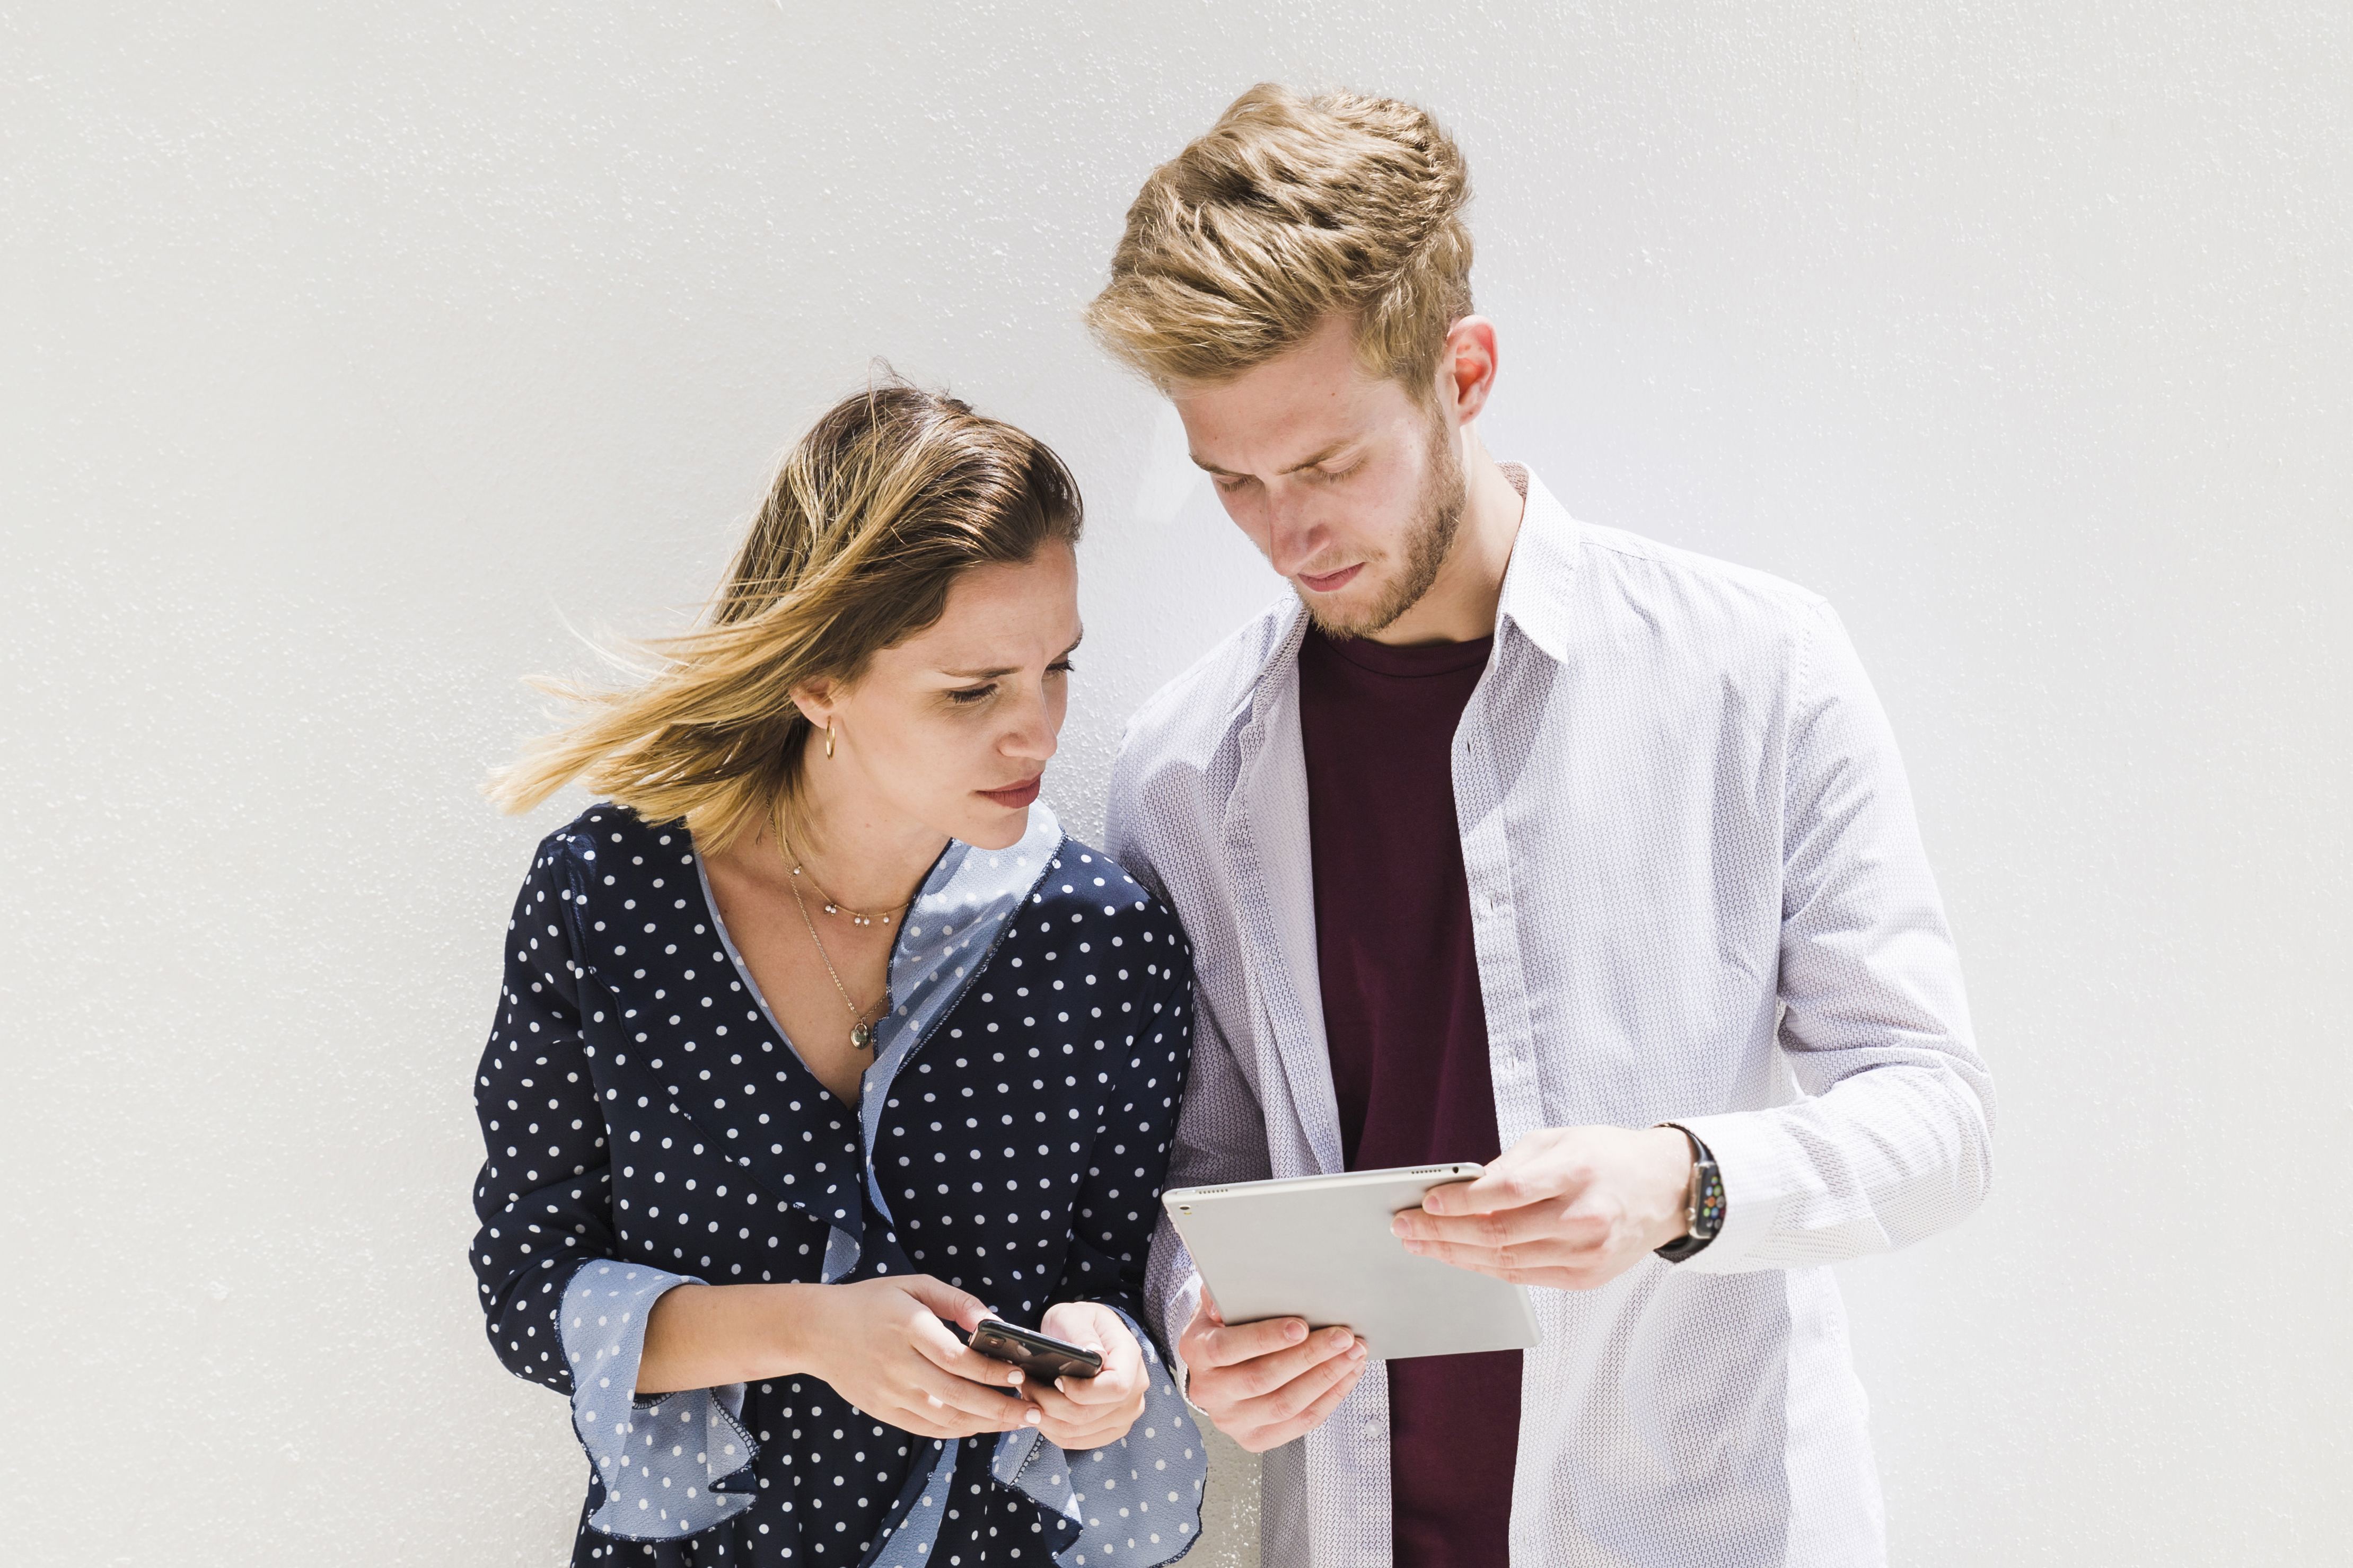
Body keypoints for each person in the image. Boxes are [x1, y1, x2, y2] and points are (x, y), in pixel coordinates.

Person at [1089, 86, 1995, 1567]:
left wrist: (1683, 1179)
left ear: (1464, 371)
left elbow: (1936, 1115)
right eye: (1231, 482)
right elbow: (1197, 1168)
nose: (1284, 531)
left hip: (1707, 1530)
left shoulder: (1752, 668)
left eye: (1325, 463)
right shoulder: (1182, 769)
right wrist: (1202, 1313)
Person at [469, 382, 1207, 1568]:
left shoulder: (1102, 943)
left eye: (1057, 669)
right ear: (817, 681)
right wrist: (812, 1332)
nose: (1038, 733)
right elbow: (530, 1290)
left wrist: (1109, 1362)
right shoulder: (608, 899)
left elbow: (1118, 1283)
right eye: (972, 691)